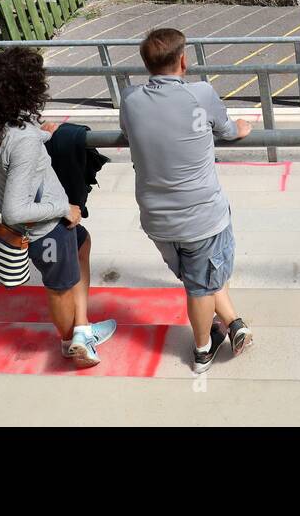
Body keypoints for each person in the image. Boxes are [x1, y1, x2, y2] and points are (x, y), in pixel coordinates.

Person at [120, 28, 255, 372]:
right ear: (183, 60)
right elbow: (228, 130)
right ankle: (203, 350)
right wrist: (243, 126)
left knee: (202, 276)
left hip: (157, 221)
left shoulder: (130, 99)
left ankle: (233, 322)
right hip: (202, 218)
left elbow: (131, 131)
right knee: (200, 285)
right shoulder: (201, 94)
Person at [0, 48, 115, 369]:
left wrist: (41, 134)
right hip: (46, 228)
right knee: (59, 288)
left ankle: (81, 327)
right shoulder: (22, 140)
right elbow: (14, 211)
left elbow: (10, 144)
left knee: (83, 244)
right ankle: (72, 344)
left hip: (47, 223)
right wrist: (63, 207)